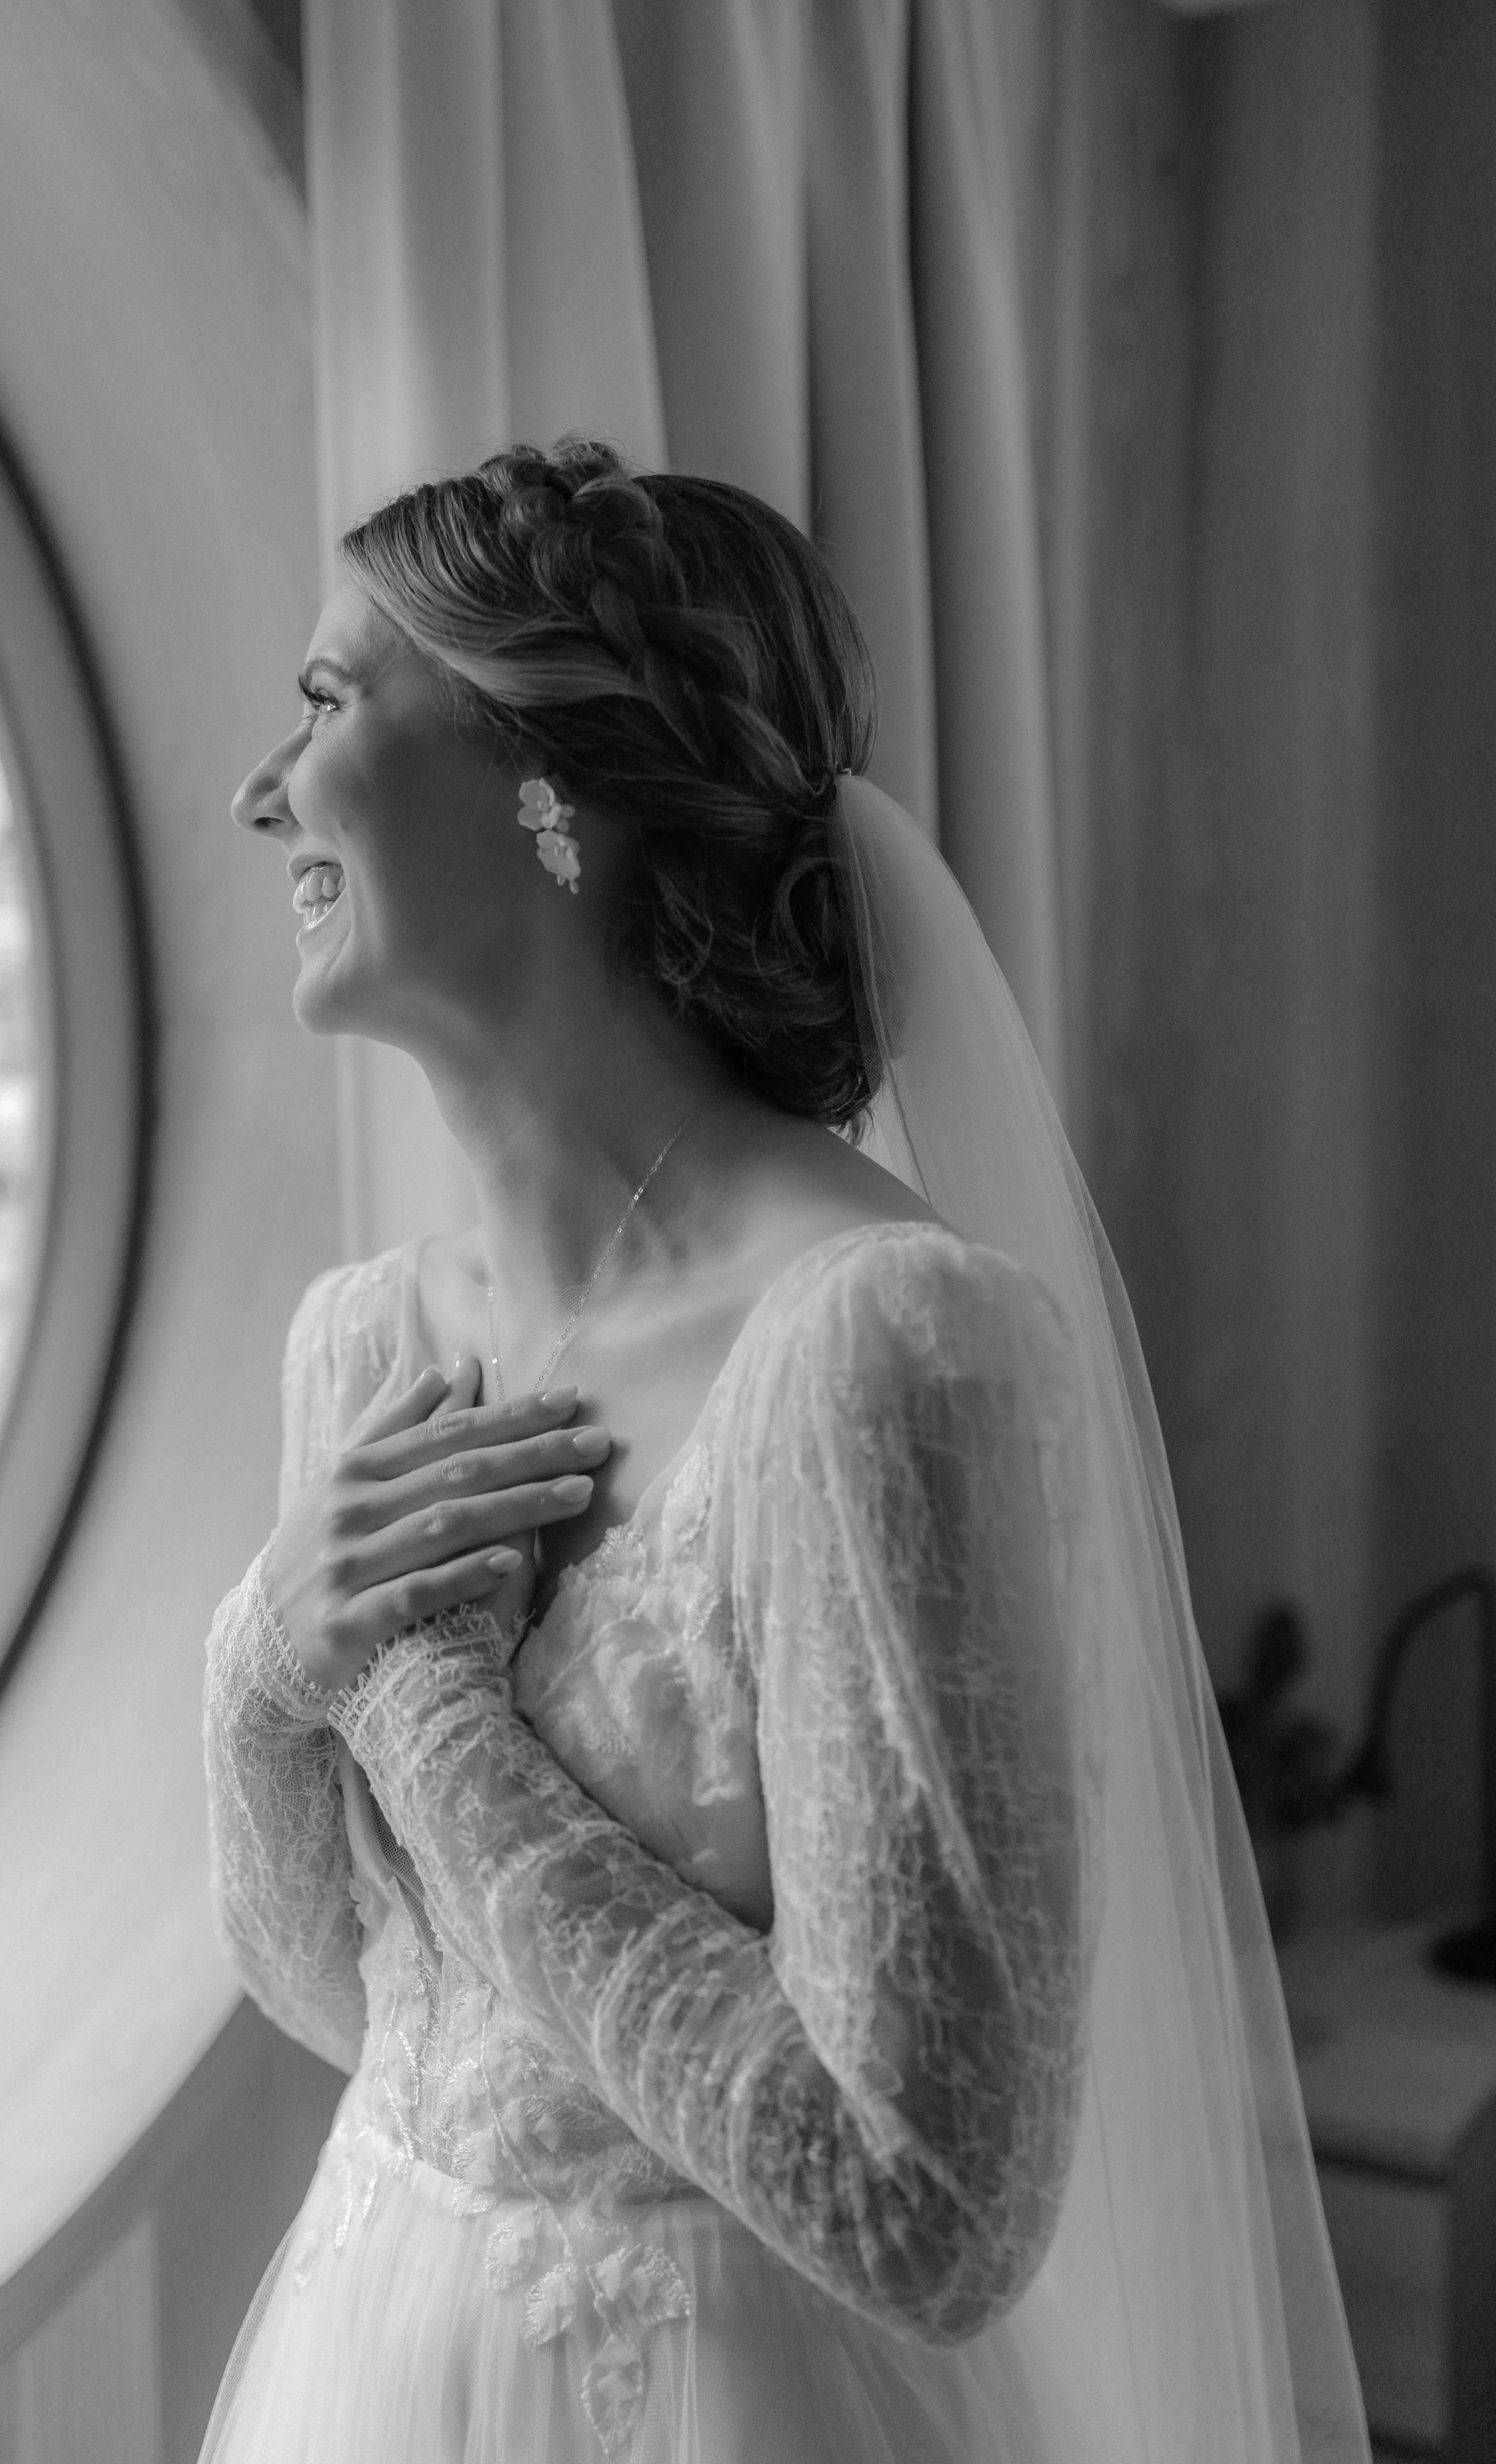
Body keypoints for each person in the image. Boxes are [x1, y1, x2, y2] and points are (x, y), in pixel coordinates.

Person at [201, 440, 1369, 2463]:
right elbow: (361, 2000)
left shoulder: (879, 1347)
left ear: (548, 776)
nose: (261, 790)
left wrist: (425, 1719)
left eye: (326, 702)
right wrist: (260, 1663)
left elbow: (929, 2211)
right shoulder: (365, 1348)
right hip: (376, 2361)